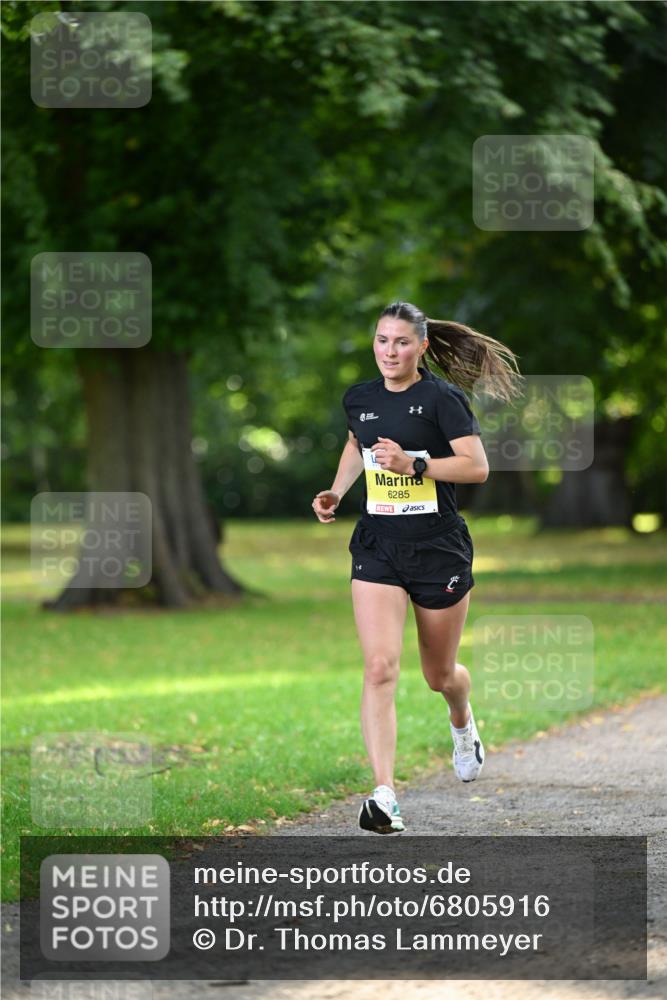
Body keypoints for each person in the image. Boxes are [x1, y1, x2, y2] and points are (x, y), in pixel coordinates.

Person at [312, 301, 522, 834]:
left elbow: (476, 468)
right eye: (382, 340)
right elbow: (357, 444)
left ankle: (462, 719)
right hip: (378, 546)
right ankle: (385, 796)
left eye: (401, 342)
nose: (390, 351)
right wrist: (337, 491)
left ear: (422, 346)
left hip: (438, 549)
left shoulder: (442, 399)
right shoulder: (359, 398)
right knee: (379, 666)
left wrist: (416, 464)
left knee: (439, 675)